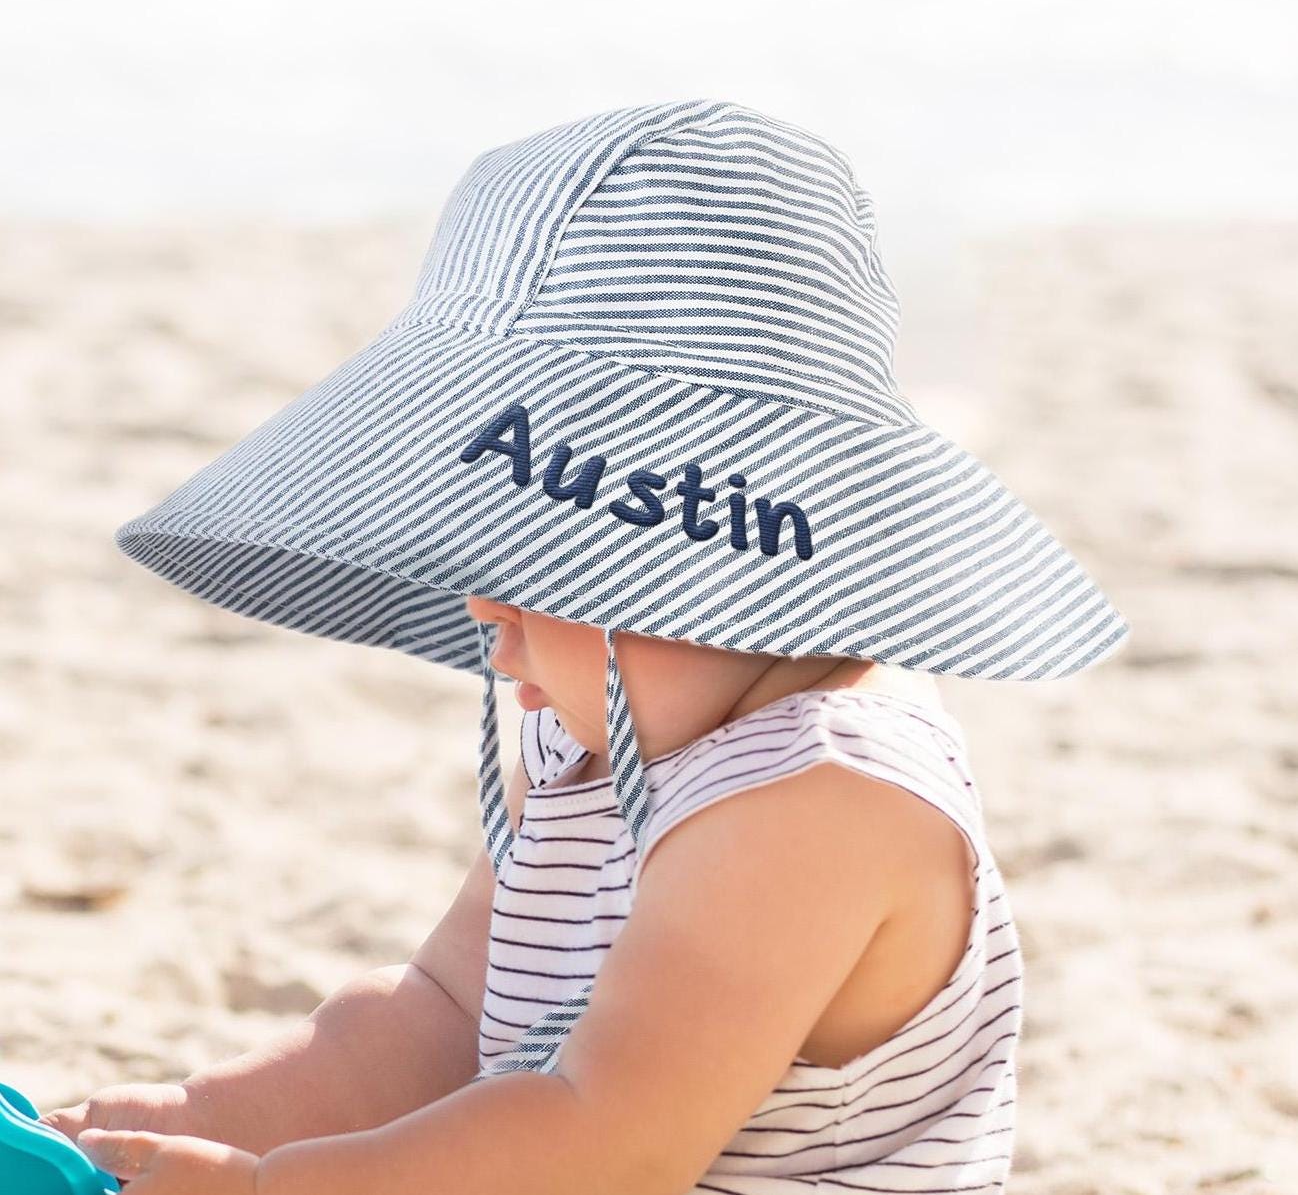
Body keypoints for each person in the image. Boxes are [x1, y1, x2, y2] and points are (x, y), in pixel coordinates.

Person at [43, 99, 1130, 1194]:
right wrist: (202, 1115)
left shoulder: (820, 799)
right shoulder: (587, 734)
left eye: (528, 560)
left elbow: (605, 1141)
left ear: (686, 553)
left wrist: (282, 1186)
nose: (482, 610)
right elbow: (444, 1013)